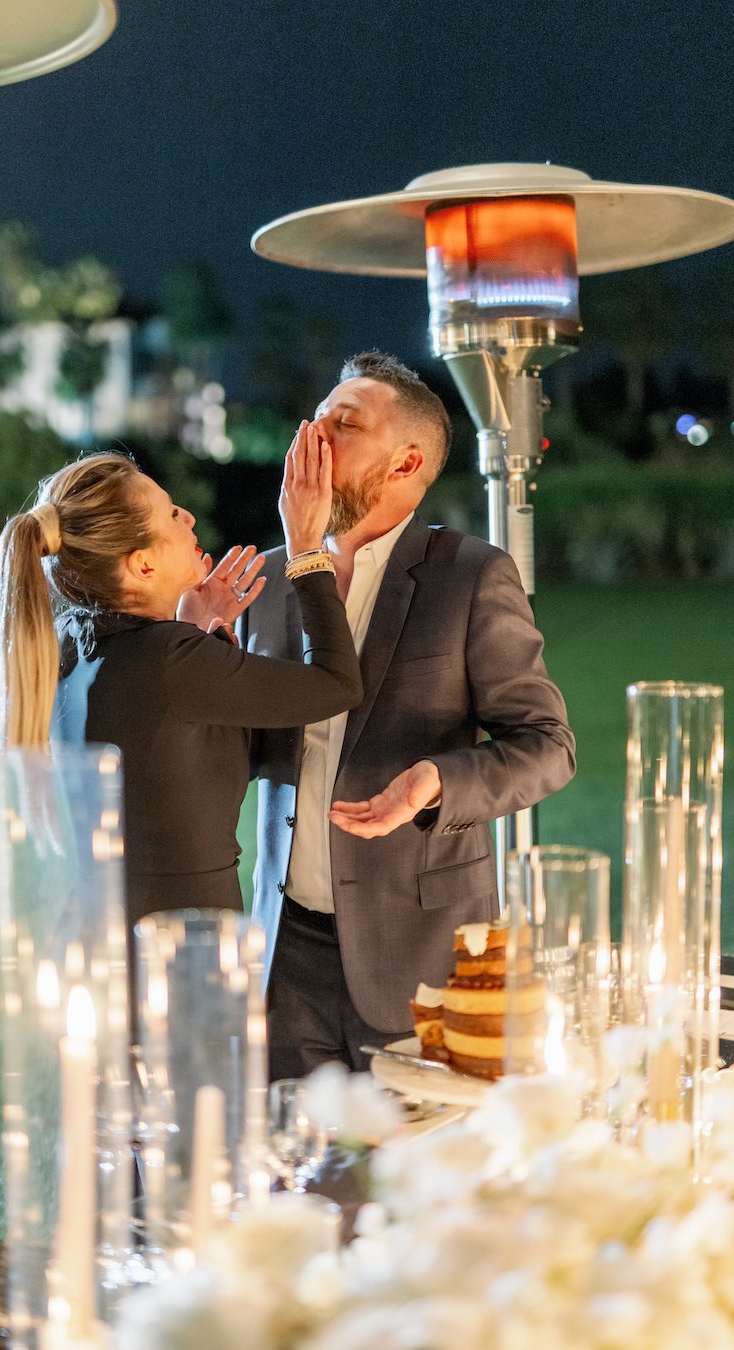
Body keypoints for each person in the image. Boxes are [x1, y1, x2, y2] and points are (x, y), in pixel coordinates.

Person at [240, 351, 576, 1080]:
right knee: (294, 1183)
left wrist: (436, 781)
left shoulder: (469, 575)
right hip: (283, 953)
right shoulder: (267, 581)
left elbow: (548, 746)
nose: (314, 435)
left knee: (422, 1183)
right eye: (317, 416)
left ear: (405, 463)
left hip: (421, 957)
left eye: (344, 423)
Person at [0, 444, 362, 929]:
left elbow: (184, 765)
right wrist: (307, 552)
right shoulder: (171, 660)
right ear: (142, 565)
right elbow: (337, 686)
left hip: (102, 932)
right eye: (172, 515)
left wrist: (196, 633)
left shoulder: (73, 642)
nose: (188, 518)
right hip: (181, 949)